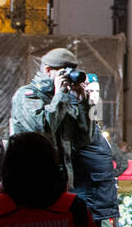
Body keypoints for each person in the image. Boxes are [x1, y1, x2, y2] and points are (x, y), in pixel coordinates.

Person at [9, 47, 95, 188]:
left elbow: (84, 139)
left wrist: (83, 103)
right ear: (48, 70)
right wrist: (60, 95)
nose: (68, 77)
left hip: (62, 181)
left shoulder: (62, 99)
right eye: (64, 72)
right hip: (31, 181)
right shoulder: (28, 95)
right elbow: (42, 130)